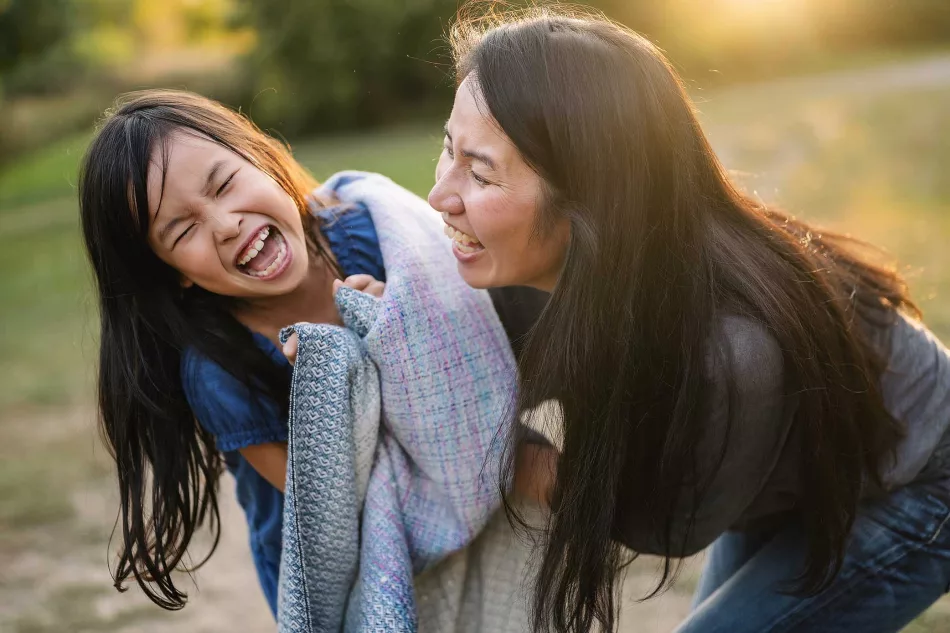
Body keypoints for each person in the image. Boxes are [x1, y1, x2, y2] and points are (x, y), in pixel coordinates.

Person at [428, 7, 950, 633]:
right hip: (790, 466)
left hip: (922, 483)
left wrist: (508, 455)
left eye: (480, 172)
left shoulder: (732, 347)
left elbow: (668, 523)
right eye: (448, 148)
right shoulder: (560, 260)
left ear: (592, 198)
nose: (441, 194)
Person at [77, 89, 546, 616]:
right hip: (334, 571)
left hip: (457, 455)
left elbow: (455, 329)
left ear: (266, 162)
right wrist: (334, 388)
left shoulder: (366, 231)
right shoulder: (220, 370)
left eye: (225, 183)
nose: (227, 223)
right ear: (176, 275)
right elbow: (333, 507)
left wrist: (401, 328)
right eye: (184, 229)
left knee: (543, 475)